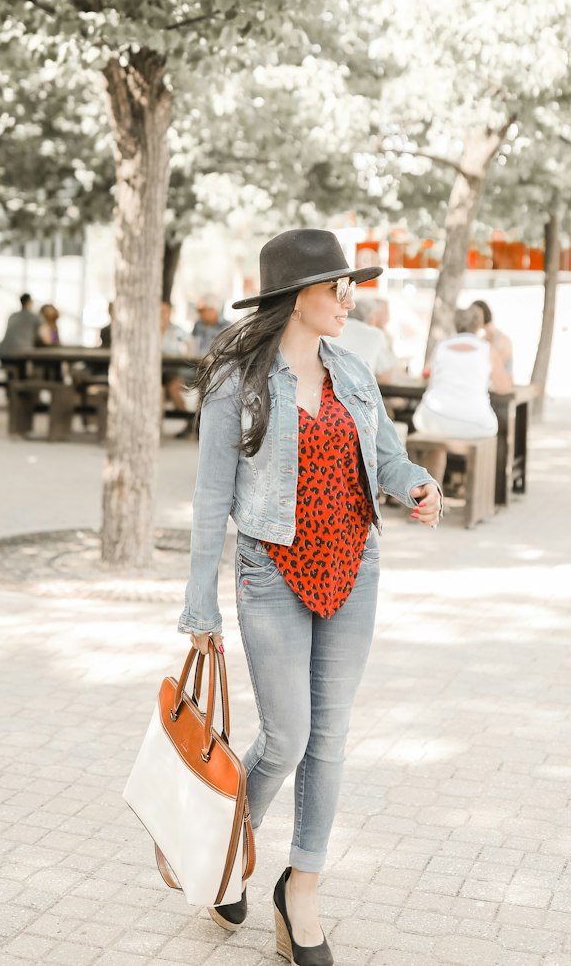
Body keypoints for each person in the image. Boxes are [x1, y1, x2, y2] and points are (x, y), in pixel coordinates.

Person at [179, 229, 442, 964]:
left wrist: (417, 484)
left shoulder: (353, 371)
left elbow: (386, 457)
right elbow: (209, 499)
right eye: (335, 288)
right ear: (298, 296)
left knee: (329, 737)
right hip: (272, 574)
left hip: (355, 568)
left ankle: (302, 893)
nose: (347, 300)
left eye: (349, 286)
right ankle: (232, 840)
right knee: (288, 735)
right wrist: (201, 610)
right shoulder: (239, 381)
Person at [412, 308, 498, 439]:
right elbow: (504, 386)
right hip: (475, 423)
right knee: (491, 424)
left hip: (434, 418)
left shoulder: (441, 346)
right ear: (478, 326)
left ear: (455, 325)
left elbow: (426, 374)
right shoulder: (487, 348)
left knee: (424, 420)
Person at [337, 292, 395, 381]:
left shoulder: (335, 328)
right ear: (372, 317)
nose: (388, 319)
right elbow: (386, 377)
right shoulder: (376, 334)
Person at [469, 298, 514, 396]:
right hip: (487, 387)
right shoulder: (482, 339)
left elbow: (491, 368)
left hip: (502, 388)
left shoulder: (502, 340)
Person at [0, 293, 40, 362]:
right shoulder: (35, 317)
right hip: (20, 355)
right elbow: (49, 338)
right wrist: (54, 338)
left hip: (3, 353)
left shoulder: (12, 316)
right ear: (30, 302)